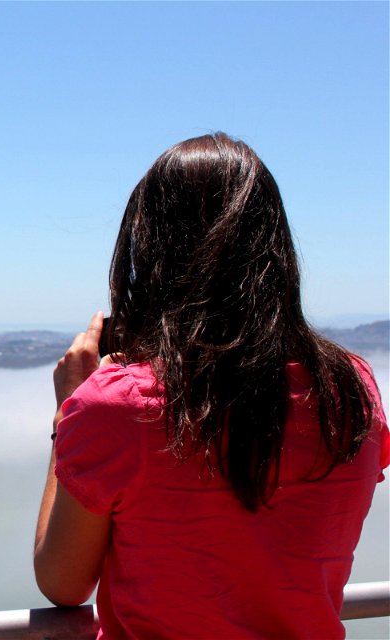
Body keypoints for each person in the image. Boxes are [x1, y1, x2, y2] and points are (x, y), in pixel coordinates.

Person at [34, 132, 389, 639]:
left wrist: (68, 415)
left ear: (150, 251)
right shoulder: (352, 390)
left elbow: (63, 584)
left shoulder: (116, 406)